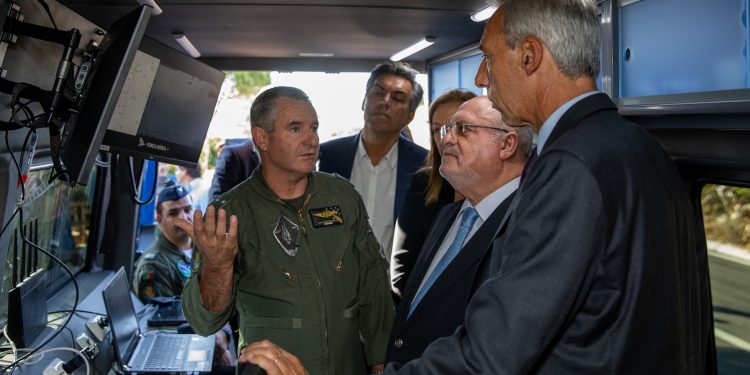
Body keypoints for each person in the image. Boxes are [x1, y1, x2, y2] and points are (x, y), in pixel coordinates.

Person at [240, 0, 713, 373]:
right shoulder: (638, 147)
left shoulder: (568, 165)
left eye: (488, 58)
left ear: (530, 55)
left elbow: (494, 354)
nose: (482, 78)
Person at [178, 86, 394, 375]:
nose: (312, 140)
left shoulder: (342, 196)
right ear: (262, 138)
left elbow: (374, 283)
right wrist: (217, 267)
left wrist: (381, 362)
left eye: (314, 128)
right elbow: (203, 322)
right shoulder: (228, 214)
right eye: (295, 128)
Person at [387, 96, 532, 364]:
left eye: (463, 129)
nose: (445, 140)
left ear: (507, 144)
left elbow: (496, 347)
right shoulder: (448, 215)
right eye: (444, 130)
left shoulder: (528, 225)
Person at [318, 61, 428, 258]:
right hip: (335, 280)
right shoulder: (329, 155)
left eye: (397, 98)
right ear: (364, 101)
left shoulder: (423, 164)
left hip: (392, 284)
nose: (385, 101)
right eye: (378, 92)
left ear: (409, 116)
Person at [132, 181, 233, 366]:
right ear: (159, 218)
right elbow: (163, 329)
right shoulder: (153, 266)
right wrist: (215, 340)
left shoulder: (205, 247)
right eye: (173, 213)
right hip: (187, 352)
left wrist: (223, 334)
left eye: (187, 209)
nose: (184, 217)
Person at [390, 89, 476, 302]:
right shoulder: (423, 183)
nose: (445, 138)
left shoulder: (499, 188)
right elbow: (402, 263)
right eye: (438, 130)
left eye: (459, 127)